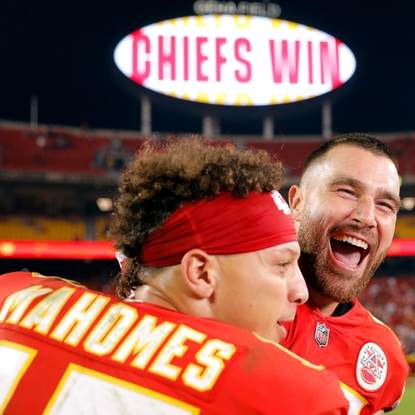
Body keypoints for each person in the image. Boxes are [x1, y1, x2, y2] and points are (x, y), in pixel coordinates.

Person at [0, 138, 349, 414]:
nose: (301, 291)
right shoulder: (289, 394)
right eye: (281, 265)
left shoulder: (14, 293)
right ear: (200, 273)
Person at [280, 133, 410, 415]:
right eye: (347, 192)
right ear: (298, 204)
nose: (366, 216)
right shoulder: (227, 308)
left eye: (385, 205)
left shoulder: (385, 355)